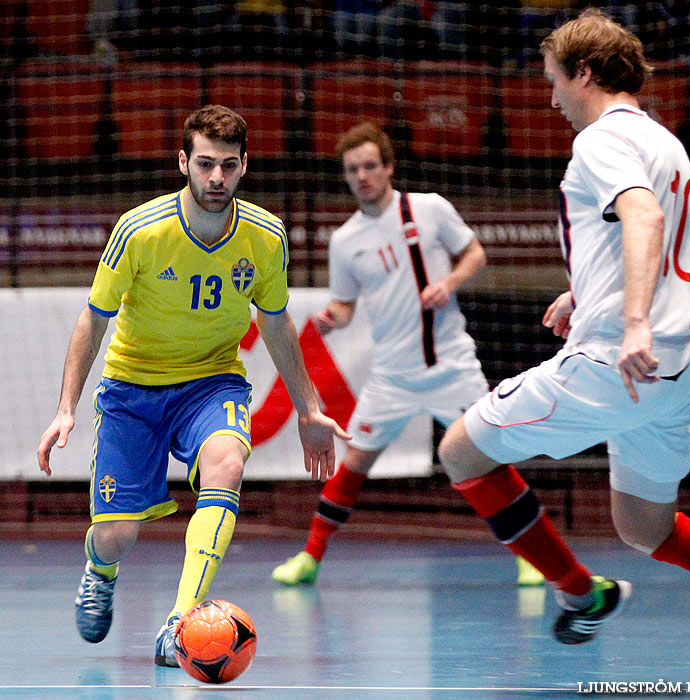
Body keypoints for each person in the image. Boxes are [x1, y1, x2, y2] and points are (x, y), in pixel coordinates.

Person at [436, 9, 690, 687]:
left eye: (554, 80)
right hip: (678, 367)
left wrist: (630, 320)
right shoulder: (664, 140)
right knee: (646, 526)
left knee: (459, 451)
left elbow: (642, 216)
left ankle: (581, 593)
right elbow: (647, 239)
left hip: (617, 361)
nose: (550, 97)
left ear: (584, 73)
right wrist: (585, 291)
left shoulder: (600, 141)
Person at [36, 105, 350, 668]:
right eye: (204, 164)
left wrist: (308, 409)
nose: (216, 178)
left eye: (228, 166)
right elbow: (93, 318)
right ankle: (100, 570)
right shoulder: (139, 231)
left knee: (227, 463)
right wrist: (66, 408)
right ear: (182, 161)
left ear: (245, 165)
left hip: (212, 382)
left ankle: (178, 624)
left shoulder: (265, 236)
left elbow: (275, 321)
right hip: (133, 389)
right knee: (117, 536)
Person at [271, 122, 544, 588]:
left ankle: (533, 557)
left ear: (389, 167)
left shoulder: (429, 209)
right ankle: (311, 557)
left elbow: (474, 254)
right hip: (392, 377)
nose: (362, 176)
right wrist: (332, 318)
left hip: (451, 367)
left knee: (489, 459)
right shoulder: (344, 240)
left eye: (370, 166)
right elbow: (345, 304)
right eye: (353, 169)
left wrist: (449, 284)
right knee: (354, 464)